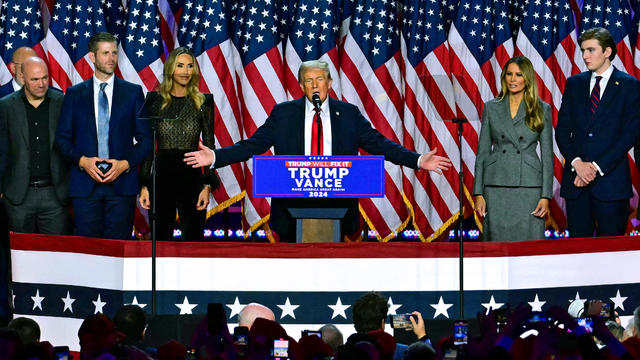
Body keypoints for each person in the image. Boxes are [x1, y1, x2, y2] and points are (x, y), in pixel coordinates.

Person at [184, 60, 451, 241]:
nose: (314, 85)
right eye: (308, 81)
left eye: (319, 79)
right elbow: (253, 145)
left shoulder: (348, 114)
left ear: (329, 83)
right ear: (301, 86)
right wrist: (216, 156)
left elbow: (379, 144)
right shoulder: (284, 113)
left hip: (337, 207)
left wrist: (416, 160)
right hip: (292, 208)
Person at [55, 32, 152, 240]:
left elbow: (146, 139)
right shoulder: (74, 94)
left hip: (121, 187)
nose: (111, 58)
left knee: (119, 253)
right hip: (85, 188)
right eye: (106, 53)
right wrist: (83, 161)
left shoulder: (133, 92)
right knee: (89, 254)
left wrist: (125, 164)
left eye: (114, 53)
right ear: (92, 57)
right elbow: (62, 140)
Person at [556, 27, 640, 237]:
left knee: (611, 255)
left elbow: (630, 134)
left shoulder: (630, 85)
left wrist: (593, 167)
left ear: (607, 51)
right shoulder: (574, 83)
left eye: (591, 50)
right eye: (583, 50)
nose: (585, 56)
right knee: (577, 253)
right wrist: (577, 163)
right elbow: (562, 130)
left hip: (611, 184)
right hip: (576, 185)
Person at [138, 47, 219, 242]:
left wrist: (207, 185)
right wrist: (144, 185)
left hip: (191, 175)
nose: (185, 71)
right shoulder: (155, 101)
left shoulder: (204, 102)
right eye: (180, 65)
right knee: (160, 238)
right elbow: (148, 146)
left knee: (193, 238)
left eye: (190, 66)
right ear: (170, 69)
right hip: (162, 176)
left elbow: (209, 145)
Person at [473, 56, 553, 242]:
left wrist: (545, 196)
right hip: (496, 185)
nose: (513, 79)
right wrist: (478, 192)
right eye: (509, 74)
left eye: (518, 75)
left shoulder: (542, 108)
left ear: (527, 78)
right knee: (496, 246)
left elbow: (548, 156)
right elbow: (483, 152)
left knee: (529, 246)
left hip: (529, 186)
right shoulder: (491, 107)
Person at [0, 56, 69, 234]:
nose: (41, 84)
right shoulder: (6, 106)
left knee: (55, 255)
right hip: (18, 196)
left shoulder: (62, 102)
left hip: (54, 195)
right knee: (20, 258)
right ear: (22, 78)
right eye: (35, 79)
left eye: (45, 78)